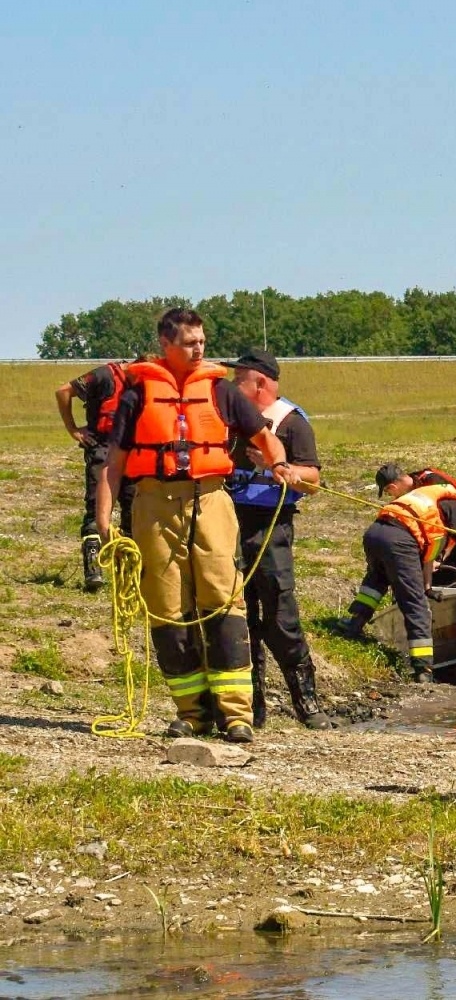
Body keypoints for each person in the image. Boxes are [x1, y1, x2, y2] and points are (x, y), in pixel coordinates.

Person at [95, 308, 291, 743]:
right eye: (189, 342)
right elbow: (114, 465)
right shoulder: (137, 396)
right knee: (166, 609)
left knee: (223, 601)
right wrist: (103, 518)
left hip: (211, 501)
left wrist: (278, 463)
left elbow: (264, 437)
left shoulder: (221, 391)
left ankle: (236, 715)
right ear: (166, 344)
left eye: (201, 340)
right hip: (154, 505)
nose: (199, 348)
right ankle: (192, 713)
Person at [224, 349, 333, 731]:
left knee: (279, 614)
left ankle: (307, 703)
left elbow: (313, 481)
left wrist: (275, 469)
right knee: (236, 617)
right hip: (227, 525)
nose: (232, 389)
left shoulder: (292, 422)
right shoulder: (228, 418)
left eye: (238, 382)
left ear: (261, 383)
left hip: (270, 528)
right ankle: (249, 708)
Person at [335, 471, 456, 681]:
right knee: (416, 604)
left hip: (375, 533)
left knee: (375, 582)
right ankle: (423, 669)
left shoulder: (431, 503)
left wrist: (428, 587)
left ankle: (353, 624)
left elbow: (428, 557)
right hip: (400, 540)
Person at [55, 358, 136, 590]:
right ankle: (93, 570)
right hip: (101, 447)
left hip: (130, 452)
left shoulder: (145, 382)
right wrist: (73, 429)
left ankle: (128, 572)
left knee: (132, 511)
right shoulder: (103, 375)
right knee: (95, 509)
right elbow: (63, 391)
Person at [374, 463, 456, 585]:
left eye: (388, 492)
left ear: (393, 487)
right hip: (442, 537)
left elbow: (453, 522)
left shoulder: (432, 482)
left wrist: (439, 557)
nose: (392, 496)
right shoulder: (412, 489)